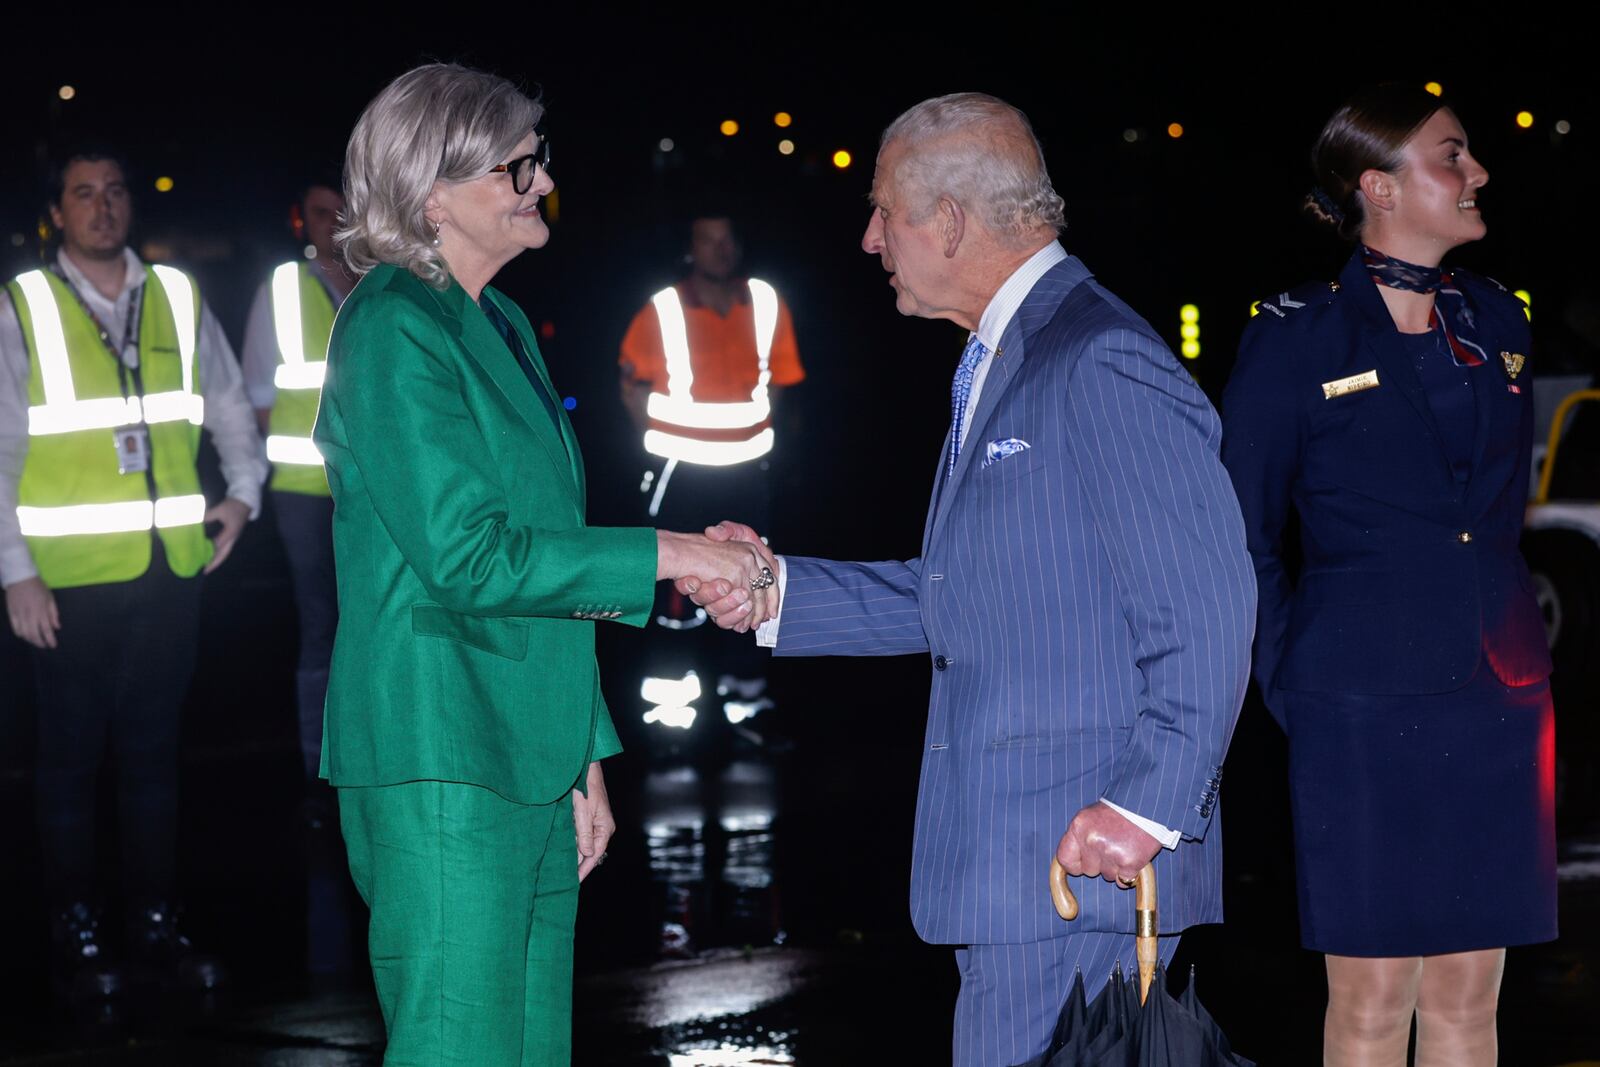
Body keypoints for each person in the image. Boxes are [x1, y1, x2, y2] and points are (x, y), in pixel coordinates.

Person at [682, 92, 1255, 1065]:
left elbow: (1207, 605)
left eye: (883, 211)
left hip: (1082, 864)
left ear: (947, 221)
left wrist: (1147, 806)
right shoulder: (1005, 357)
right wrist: (778, 588)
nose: (869, 238)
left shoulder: (1098, 357)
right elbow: (970, 593)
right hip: (1020, 872)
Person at [317, 63, 777, 1066]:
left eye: (538, 159)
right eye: (516, 165)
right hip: (441, 751)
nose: (539, 181)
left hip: (526, 752)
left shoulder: (501, 322)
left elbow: (544, 556)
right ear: (432, 193)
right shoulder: (394, 326)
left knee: (529, 1050)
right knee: (458, 1047)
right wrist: (679, 551)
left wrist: (586, 754)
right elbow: (474, 557)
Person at [1221, 85, 1556, 1067]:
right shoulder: (1296, 338)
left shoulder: (1497, 323)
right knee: (1370, 999)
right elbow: (1241, 534)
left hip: (1497, 695)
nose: (1477, 172)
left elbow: (1494, 521)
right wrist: (1296, 682)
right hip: (1358, 704)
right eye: (1453, 155)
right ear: (1377, 186)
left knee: (1468, 992)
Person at [0, 147, 266, 996]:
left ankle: (157, 927)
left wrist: (245, 495)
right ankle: (77, 936)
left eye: (115, 192)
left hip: (168, 569)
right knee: (71, 763)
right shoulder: (24, 308)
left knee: (155, 760)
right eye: (84, 194)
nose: (103, 207)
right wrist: (16, 573)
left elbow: (225, 401)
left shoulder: (176, 295)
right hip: (68, 582)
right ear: (58, 213)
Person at [619, 213, 805, 719]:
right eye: (709, 241)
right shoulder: (665, 308)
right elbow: (630, 382)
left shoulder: (764, 301)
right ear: (690, 249)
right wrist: (661, 440)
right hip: (683, 475)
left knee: (757, 581)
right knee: (677, 590)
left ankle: (746, 704)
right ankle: (672, 714)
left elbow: (784, 380)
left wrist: (771, 445)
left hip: (748, 473)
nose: (720, 251)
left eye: (728, 240)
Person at [240, 179, 355, 788]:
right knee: (320, 626)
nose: (332, 221)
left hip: (373, 491)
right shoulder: (284, 289)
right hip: (306, 493)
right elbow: (259, 395)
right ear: (301, 221)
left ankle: (370, 758)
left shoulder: (383, 283)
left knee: (374, 621)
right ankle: (319, 768)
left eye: (342, 208)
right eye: (319, 212)